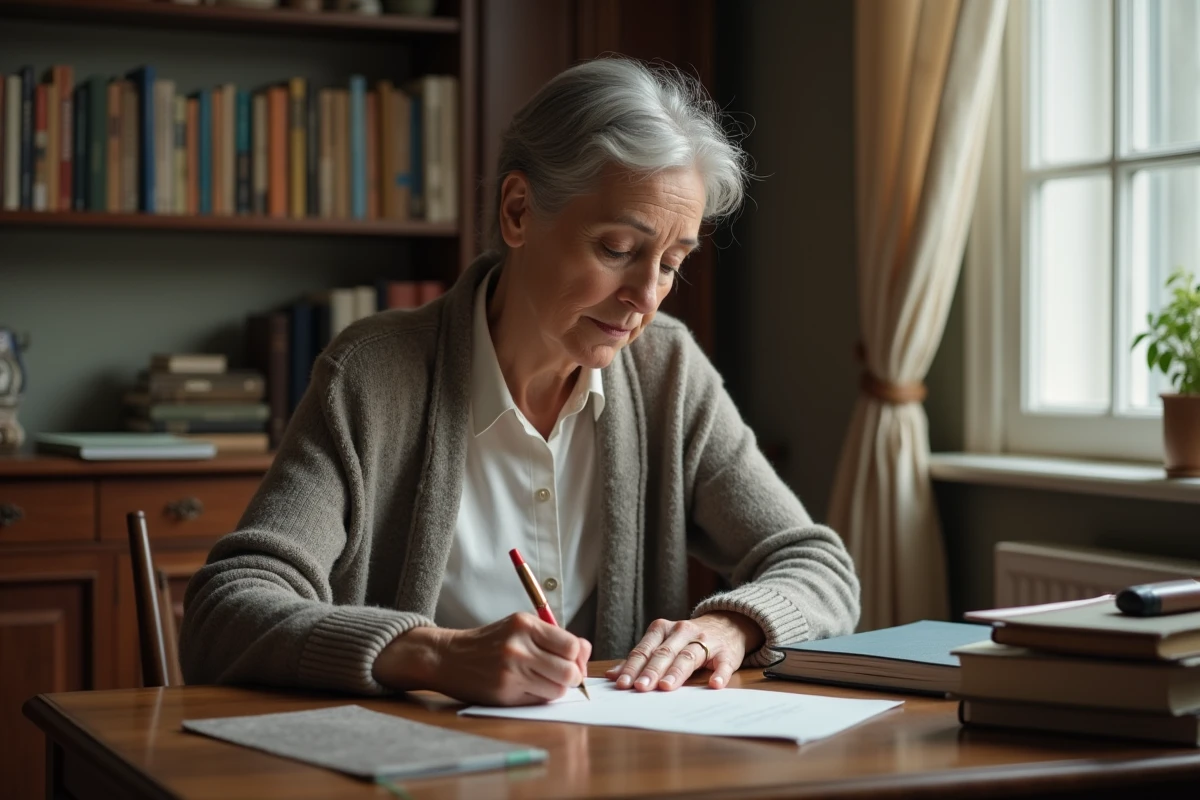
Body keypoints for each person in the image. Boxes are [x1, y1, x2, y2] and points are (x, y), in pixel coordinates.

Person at [179, 57, 860, 706]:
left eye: (672, 262)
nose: (645, 296)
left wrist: (731, 627)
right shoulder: (373, 376)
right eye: (618, 250)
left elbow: (819, 567)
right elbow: (227, 610)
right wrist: (433, 654)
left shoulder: (668, 372)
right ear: (516, 212)